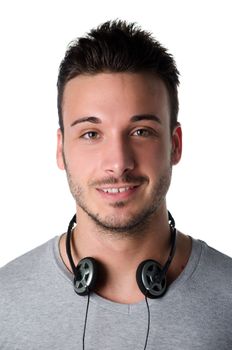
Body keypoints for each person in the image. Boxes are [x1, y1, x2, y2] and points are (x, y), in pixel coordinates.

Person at [0, 20, 232, 350]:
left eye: (141, 131)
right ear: (60, 149)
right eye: (91, 134)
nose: (118, 162)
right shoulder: (4, 302)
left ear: (175, 144)